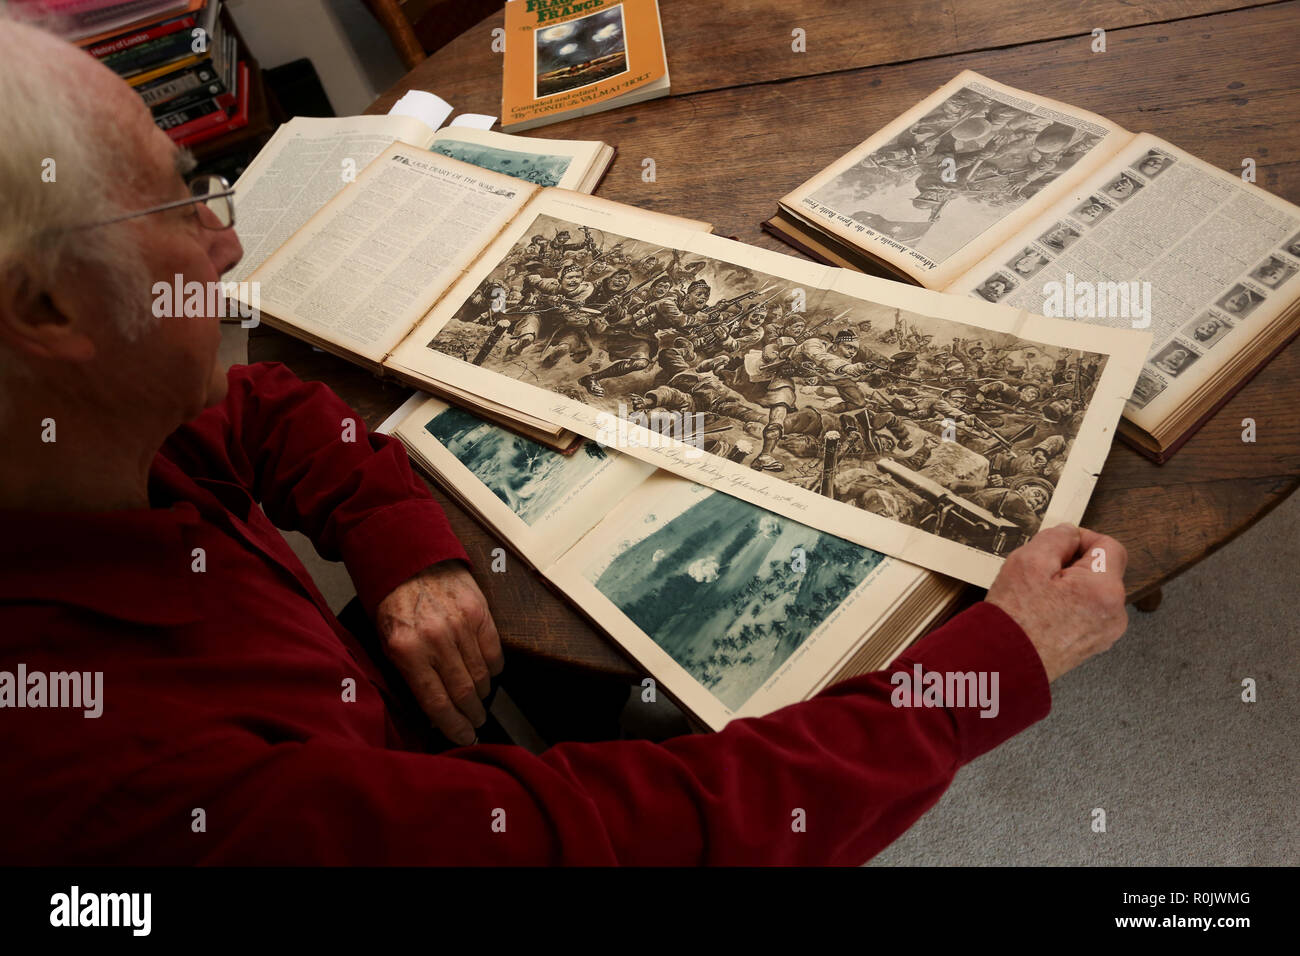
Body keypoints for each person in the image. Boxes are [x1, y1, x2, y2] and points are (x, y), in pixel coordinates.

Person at [0, 18, 1131, 866]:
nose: (222, 236)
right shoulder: (120, 785)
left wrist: (393, 534)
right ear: (45, 310)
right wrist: (990, 669)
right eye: (176, 205)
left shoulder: (78, 437)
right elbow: (644, 839)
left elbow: (257, 414)